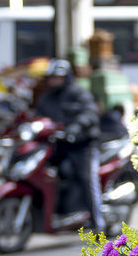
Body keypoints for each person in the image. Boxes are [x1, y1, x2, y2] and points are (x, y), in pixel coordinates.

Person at [34, 58, 101, 226]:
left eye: (57, 77)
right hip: (57, 145)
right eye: (51, 78)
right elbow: (38, 118)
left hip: (81, 145)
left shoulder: (78, 93)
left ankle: (98, 222)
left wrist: (76, 127)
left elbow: (90, 113)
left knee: (87, 179)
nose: (53, 81)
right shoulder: (46, 98)